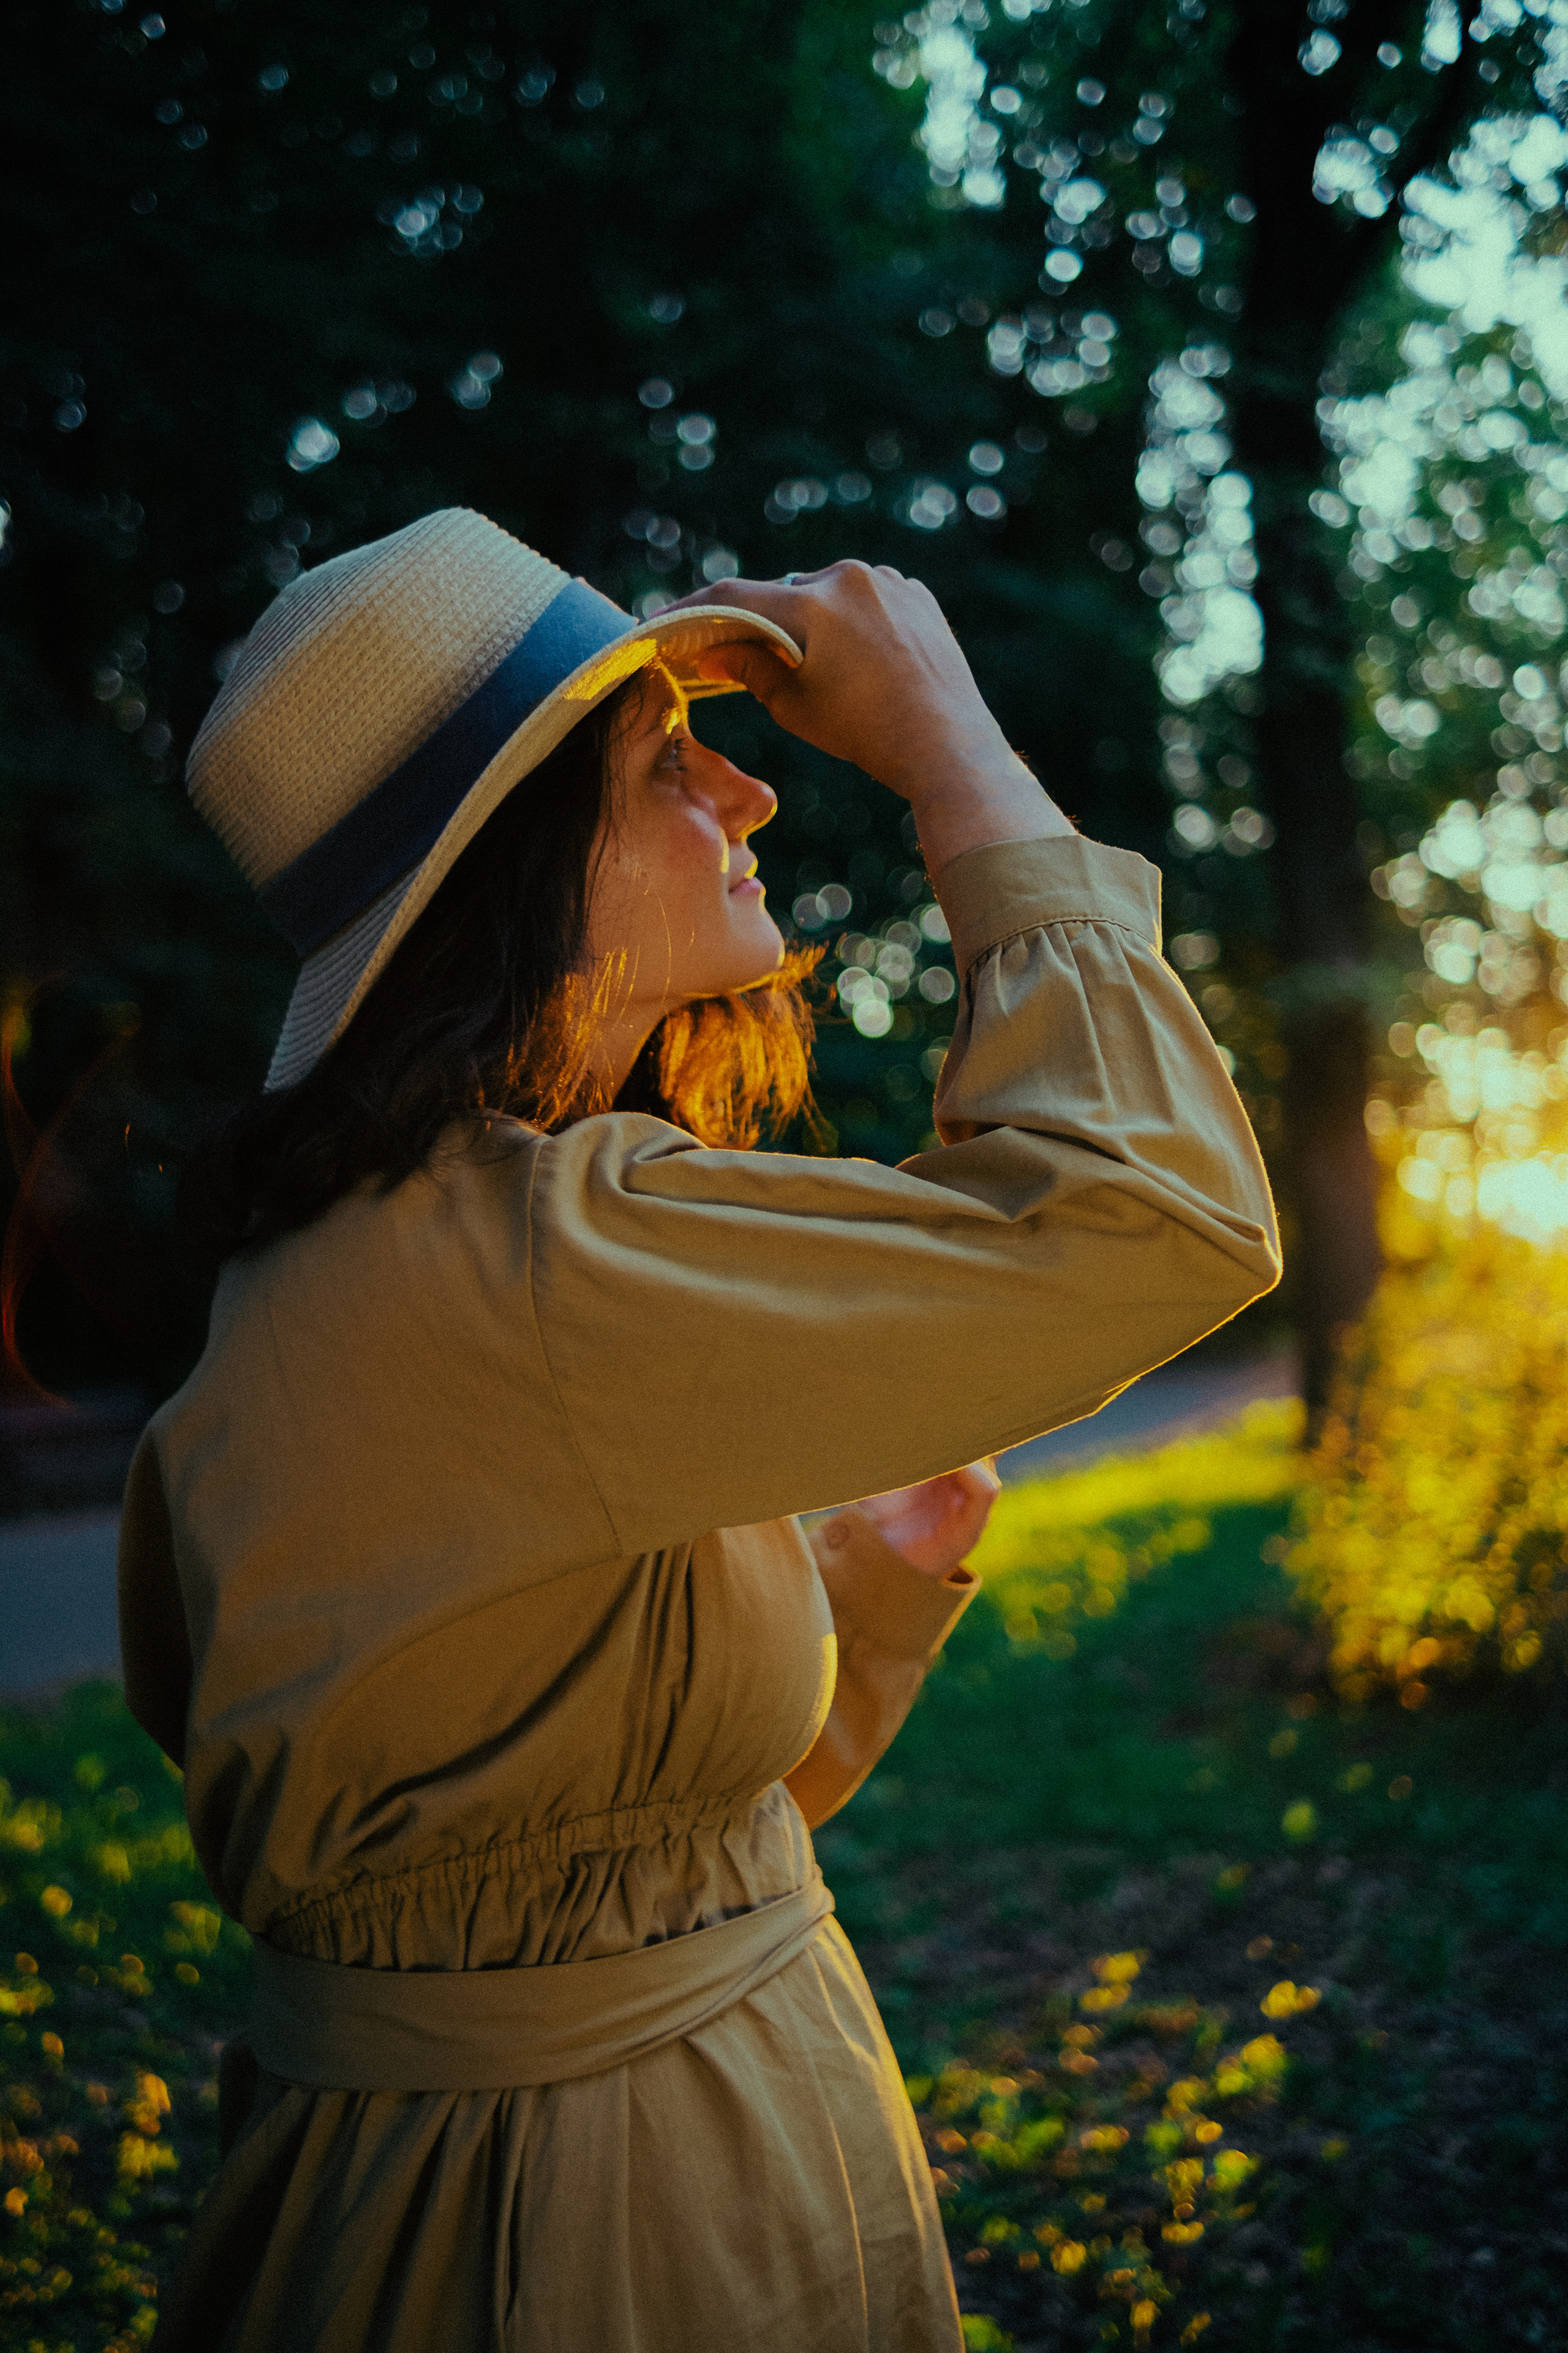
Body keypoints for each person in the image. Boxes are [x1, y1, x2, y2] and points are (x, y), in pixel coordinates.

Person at [118, 507, 1280, 2352]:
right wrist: (950, 749)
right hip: (568, 2228)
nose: (749, 793)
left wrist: (861, 1596)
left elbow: (611, 1872)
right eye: (667, 764)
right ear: (509, 861)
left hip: (678, 2151)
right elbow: (1161, 1211)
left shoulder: (446, 1244)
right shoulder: (520, 1256)